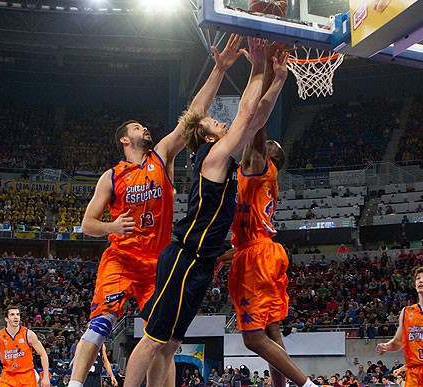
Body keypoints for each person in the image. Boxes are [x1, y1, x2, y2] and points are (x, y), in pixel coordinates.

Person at [69, 34, 245, 387]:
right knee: (102, 323)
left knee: (164, 341)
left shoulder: (161, 156)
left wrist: (219, 68)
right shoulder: (111, 176)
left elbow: (193, 116)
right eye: (137, 127)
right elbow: (87, 223)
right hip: (121, 258)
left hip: (159, 260)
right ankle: (73, 384)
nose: (144, 128)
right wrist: (112, 227)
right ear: (124, 139)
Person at [123, 37, 288, 387]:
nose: (221, 122)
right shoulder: (211, 158)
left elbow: (255, 119)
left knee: (169, 345)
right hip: (185, 257)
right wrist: (257, 67)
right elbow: (245, 115)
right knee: (154, 338)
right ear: (207, 137)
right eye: (215, 122)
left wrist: (278, 80)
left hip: (200, 264)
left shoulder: (221, 160)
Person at [221, 76, 314, 387]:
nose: (258, 145)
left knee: (252, 340)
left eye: (264, 147)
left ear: (270, 158)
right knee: (273, 332)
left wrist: (265, 78)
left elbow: (256, 120)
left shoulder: (259, 167)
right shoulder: (256, 175)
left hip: (258, 259)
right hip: (262, 250)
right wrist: (227, 254)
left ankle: (308, 385)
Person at [0, 306, 50, 387]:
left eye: (17, 314)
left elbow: (43, 354)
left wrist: (46, 376)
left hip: (27, 376)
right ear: (6, 319)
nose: (16, 317)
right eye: (12, 315)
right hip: (8, 376)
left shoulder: (28, 334)